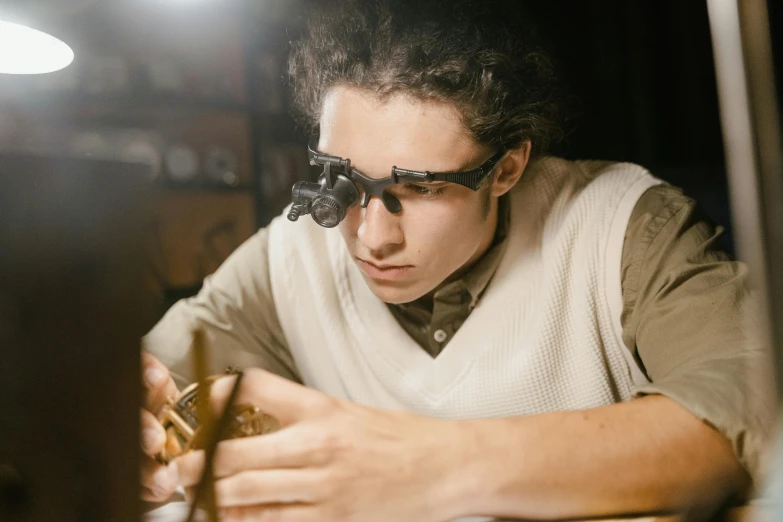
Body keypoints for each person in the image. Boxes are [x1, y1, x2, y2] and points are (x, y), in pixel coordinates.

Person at [140, 0, 776, 520]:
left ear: (507, 168)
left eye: (420, 188)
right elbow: (150, 376)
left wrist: (427, 465)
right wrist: (122, 427)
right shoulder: (289, 255)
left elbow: (747, 413)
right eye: (343, 181)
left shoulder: (624, 226)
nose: (371, 237)